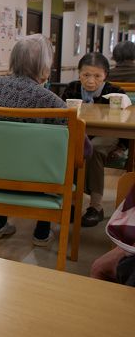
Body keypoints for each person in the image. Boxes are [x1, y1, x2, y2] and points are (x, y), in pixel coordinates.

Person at [0, 34, 66, 246]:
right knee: (58, 155)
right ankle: (42, 230)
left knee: (6, 151)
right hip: (33, 178)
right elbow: (73, 146)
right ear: (44, 66)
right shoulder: (51, 101)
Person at [62, 53, 125, 227]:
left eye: (97, 76)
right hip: (79, 132)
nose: (91, 80)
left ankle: (96, 207)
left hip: (107, 134)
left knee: (94, 149)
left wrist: (122, 146)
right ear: (79, 73)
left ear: (105, 75)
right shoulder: (72, 88)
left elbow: (124, 121)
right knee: (74, 148)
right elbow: (62, 114)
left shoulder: (116, 92)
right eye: (86, 75)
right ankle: (72, 203)